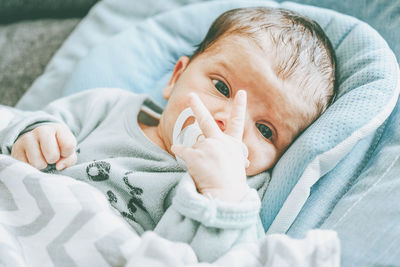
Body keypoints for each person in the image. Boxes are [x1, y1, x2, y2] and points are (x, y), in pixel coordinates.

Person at [0, 7, 336, 262]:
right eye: (221, 88)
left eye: (265, 130)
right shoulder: (109, 106)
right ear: (176, 78)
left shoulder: (242, 189)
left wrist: (222, 193)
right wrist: (35, 135)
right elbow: (30, 125)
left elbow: (229, 255)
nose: (226, 122)